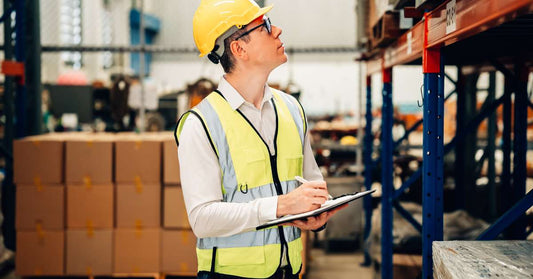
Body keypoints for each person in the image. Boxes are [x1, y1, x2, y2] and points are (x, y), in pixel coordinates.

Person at [174, 1, 346, 278]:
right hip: (229, 275)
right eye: (265, 26)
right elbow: (202, 220)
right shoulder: (201, 124)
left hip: (289, 271)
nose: (277, 30)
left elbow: (311, 183)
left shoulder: (291, 109)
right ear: (238, 48)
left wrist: (316, 213)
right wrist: (281, 206)